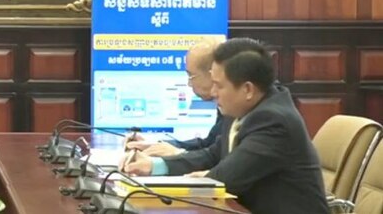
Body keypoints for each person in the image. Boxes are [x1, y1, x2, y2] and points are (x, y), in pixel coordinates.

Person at [122, 38, 328, 214]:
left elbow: (224, 179)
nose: (213, 93)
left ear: (247, 89)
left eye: (219, 85)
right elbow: (213, 155)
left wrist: (207, 176)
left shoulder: (274, 121)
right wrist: (155, 165)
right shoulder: (243, 108)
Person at [126, 39, 224, 157]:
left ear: (212, 74)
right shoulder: (223, 108)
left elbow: (217, 159)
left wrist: (178, 154)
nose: (189, 84)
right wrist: (156, 145)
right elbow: (208, 145)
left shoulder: (234, 112)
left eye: (191, 76)